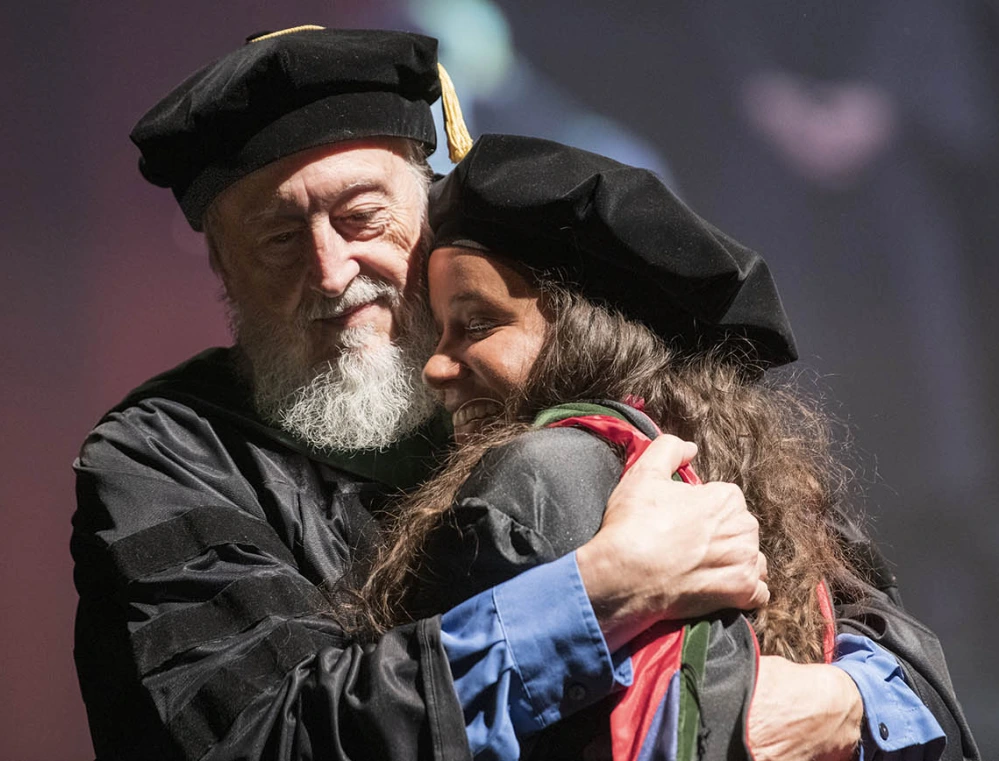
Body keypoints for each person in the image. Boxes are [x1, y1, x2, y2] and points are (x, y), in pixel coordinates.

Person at [71, 28, 770, 761]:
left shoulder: (548, 367)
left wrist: (845, 696)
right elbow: (265, 737)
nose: (332, 270)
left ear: (433, 209)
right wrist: (595, 595)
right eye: (280, 239)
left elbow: (875, 625)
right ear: (223, 267)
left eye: (362, 218)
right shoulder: (162, 458)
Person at [351, 134, 978, 761]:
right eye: (438, 332)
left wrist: (845, 700)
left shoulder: (540, 475)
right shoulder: (753, 471)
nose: (434, 367)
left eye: (478, 324)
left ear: (586, 333)